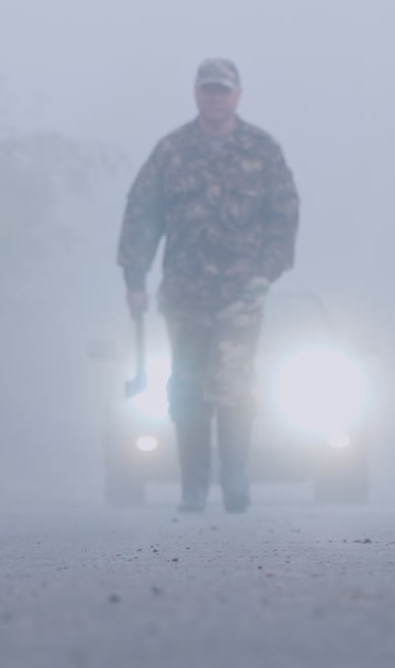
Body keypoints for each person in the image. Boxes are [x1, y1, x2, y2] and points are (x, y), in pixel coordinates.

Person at [116, 58, 300, 513]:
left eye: (223, 90)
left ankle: (235, 479)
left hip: (241, 293)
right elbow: (142, 213)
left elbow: (285, 215)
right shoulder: (172, 151)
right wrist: (135, 279)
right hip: (185, 294)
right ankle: (193, 485)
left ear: (238, 95)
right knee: (186, 386)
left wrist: (266, 272)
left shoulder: (262, 150)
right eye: (208, 90)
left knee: (234, 383)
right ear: (196, 94)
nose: (215, 97)